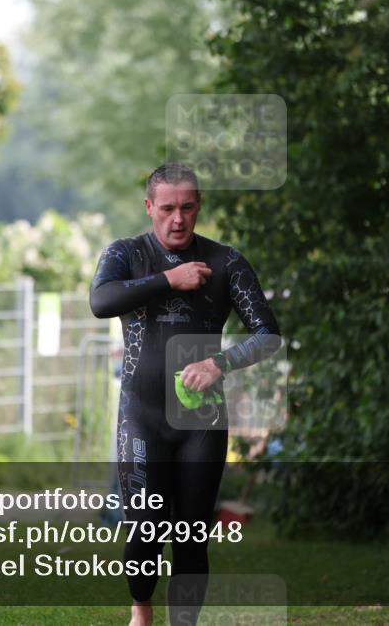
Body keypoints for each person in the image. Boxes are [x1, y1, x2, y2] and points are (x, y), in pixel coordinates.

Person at [89, 163, 280, 626]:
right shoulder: (127, 254)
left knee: (192, 534)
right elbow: (101, 301)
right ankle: (141, 610)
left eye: (188, 208)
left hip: (202, 421)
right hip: (142, 415)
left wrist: (220, 362)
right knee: (144, 529)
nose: (178, 219)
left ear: (198, 208)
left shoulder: (225, 262)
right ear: (150, 207)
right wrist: (168, 281)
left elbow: (267, 334)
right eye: (168, 208)